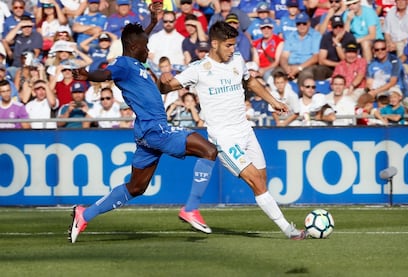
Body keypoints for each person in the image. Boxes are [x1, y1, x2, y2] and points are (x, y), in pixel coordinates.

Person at [68, 4, 218, 243]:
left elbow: (139, 40)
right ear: (135, 48)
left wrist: (152, 19)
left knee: (136, 188)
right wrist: (88, 76)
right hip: (155, 128)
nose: (148, 49)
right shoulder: (124, 65)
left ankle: (84, 214)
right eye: (145, 46)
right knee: (209, 150)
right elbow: (107, 74)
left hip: (147, 132)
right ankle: (191, 208)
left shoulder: (136, 62)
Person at [159, 21, 306, 240]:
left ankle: (283, 225)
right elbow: (167, 87)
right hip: (224, 137)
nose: (232, 49)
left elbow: (251, 82)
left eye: (234, 45)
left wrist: (273, 100)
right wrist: (163, 81)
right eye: (228, 45)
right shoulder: (198, 70)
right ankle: (289, 230)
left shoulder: (237, 60)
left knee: (262, 179)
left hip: (246, 130)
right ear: (215, 43)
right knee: (256, 181)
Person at [279, 12, 322, 80]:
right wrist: (286, 68)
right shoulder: (291, 36)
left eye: (304, 23)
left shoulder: (316, 36)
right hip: (290, 66)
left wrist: (299, 68)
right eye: (298, 24)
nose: (301, 26)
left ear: (309, 23)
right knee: (277, 74)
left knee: (305, 75)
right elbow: (284, 56)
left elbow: (315, 57)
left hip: (307, 66)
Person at [318, 15, 356, 79]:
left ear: (343, 26)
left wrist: (337, 44)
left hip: (346, 67)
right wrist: (338, 64)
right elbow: (321, 60)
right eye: (335, 27)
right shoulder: (326, 37)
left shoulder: (350, 38)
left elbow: (345, 59)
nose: (338, 29)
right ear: (331, 28)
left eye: (340, 26)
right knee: (318, 70)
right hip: (329, 67)